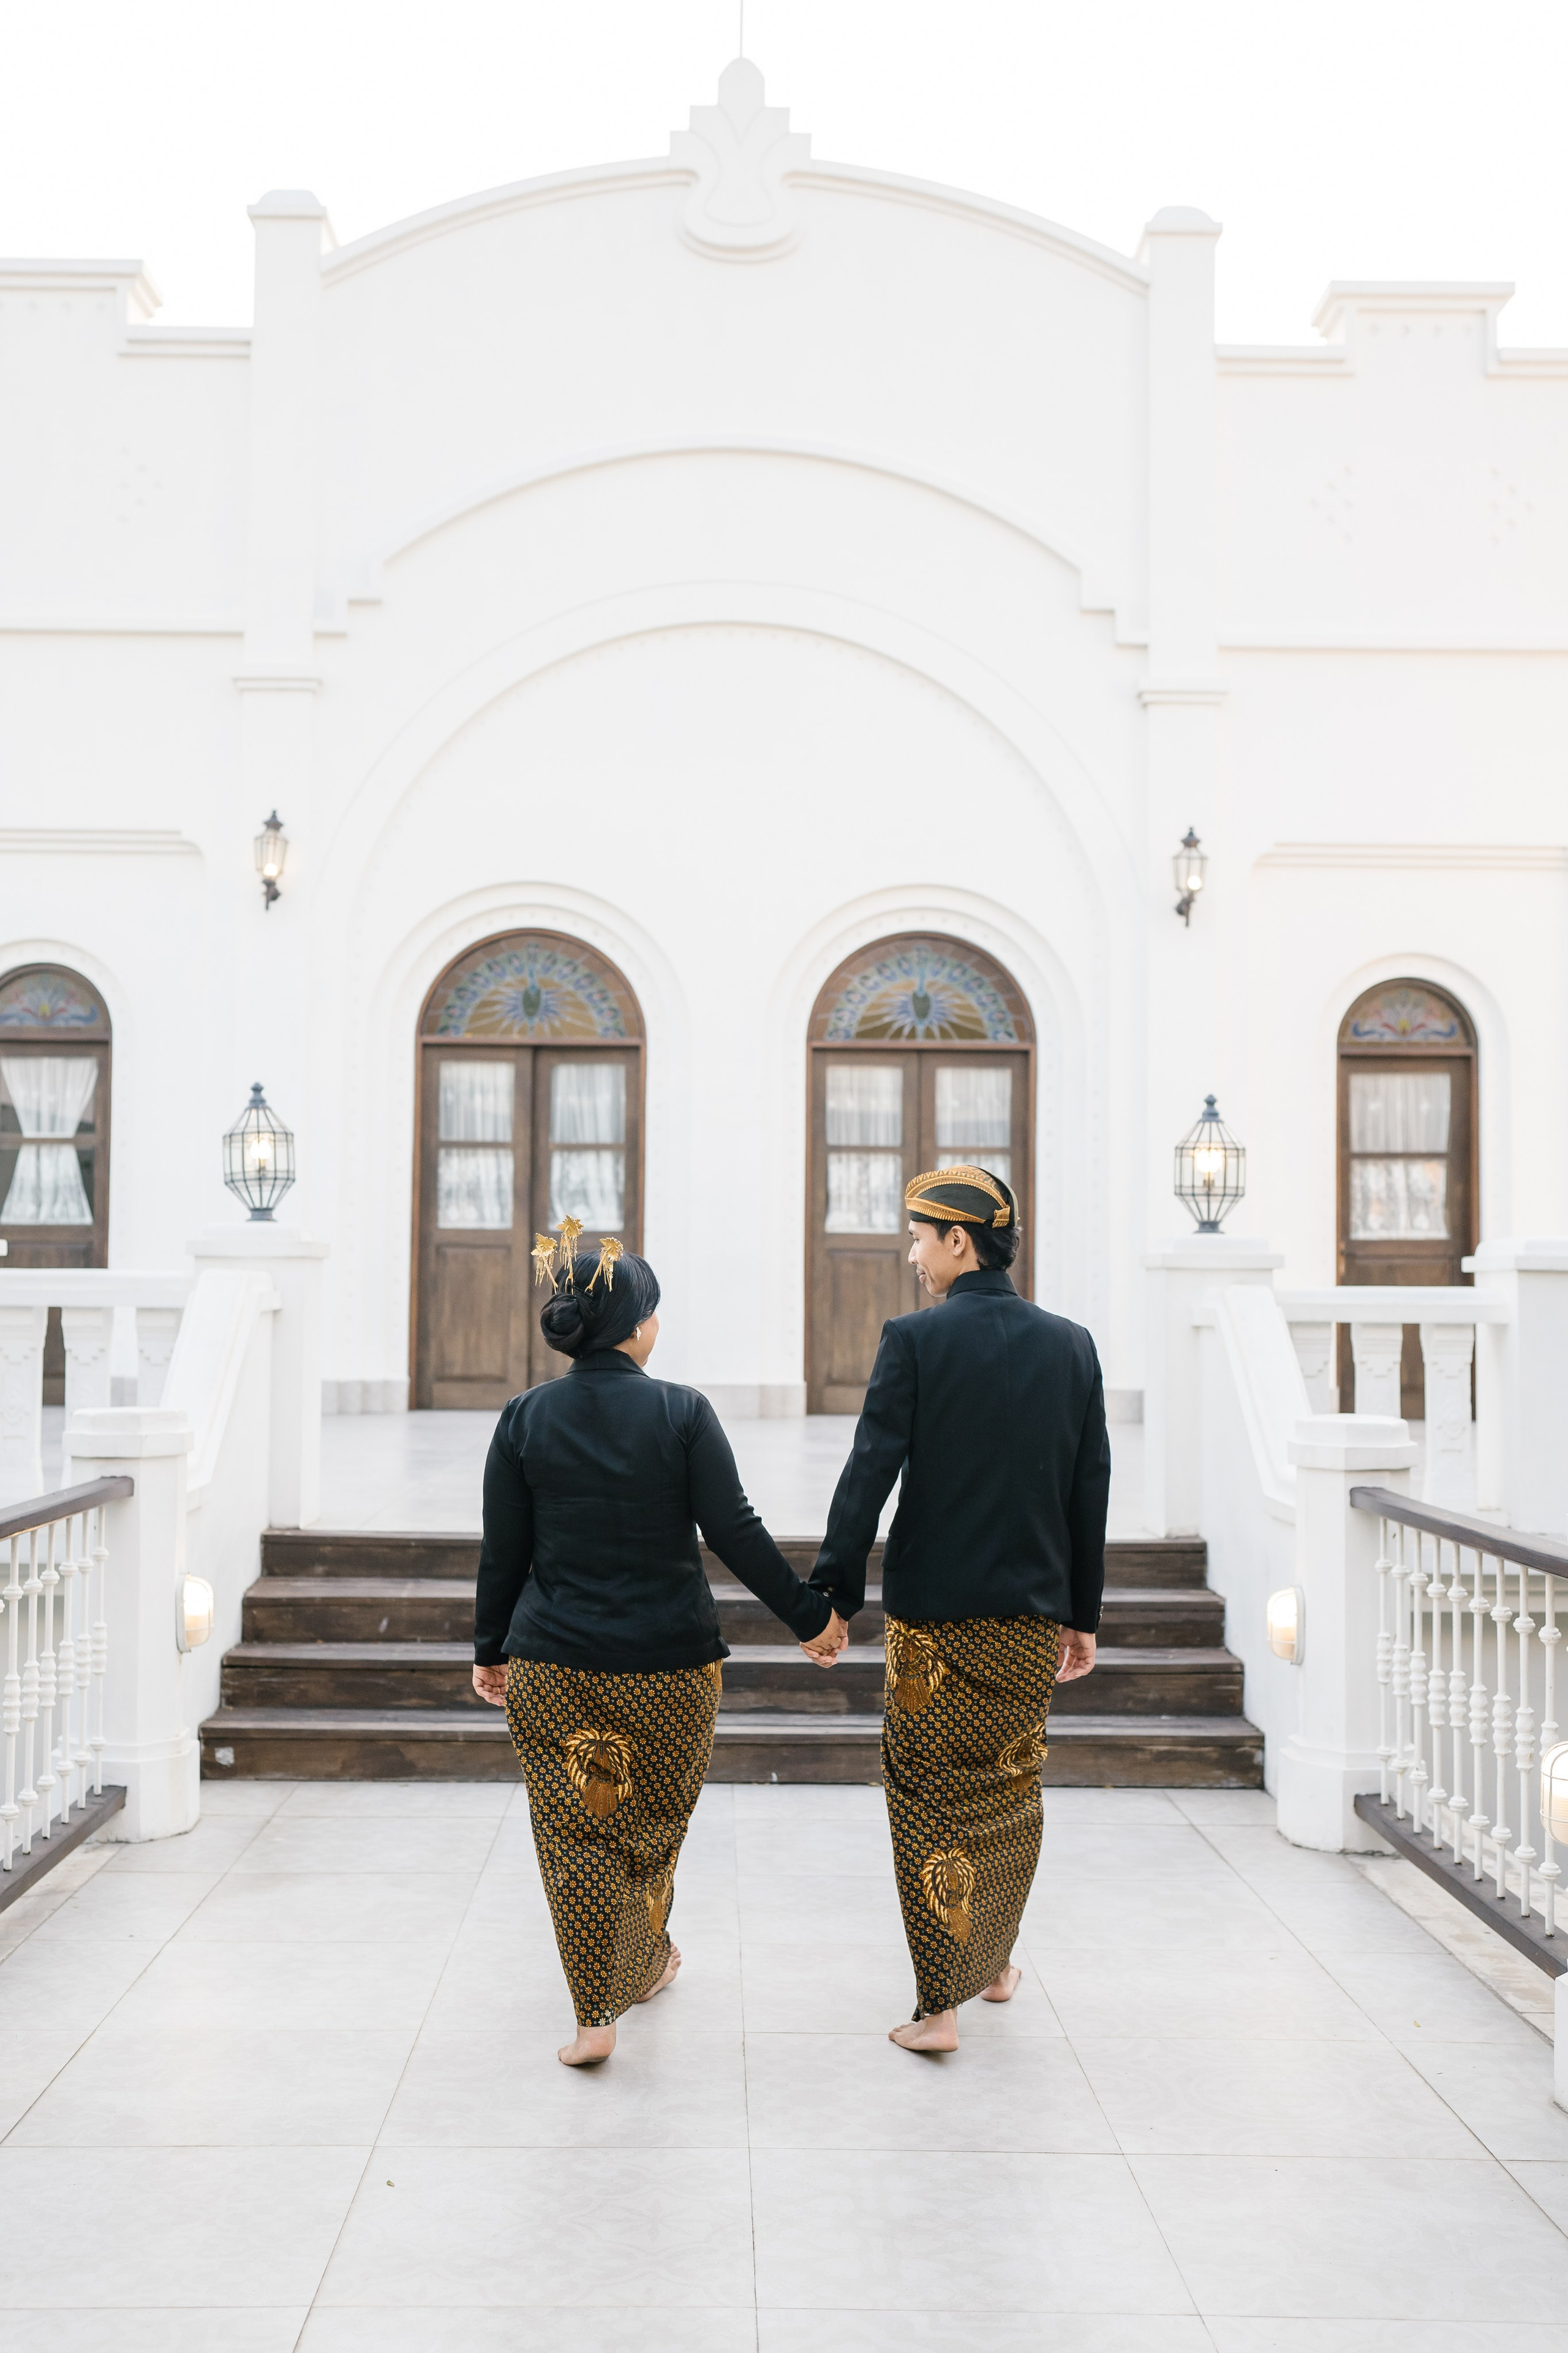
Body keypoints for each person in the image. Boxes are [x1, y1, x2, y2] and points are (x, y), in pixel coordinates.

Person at [473, 1221, 848, 2066]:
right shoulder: (682, 1411)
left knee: (575, 1838)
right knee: (649, 1831)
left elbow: (504, 1552)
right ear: (638, 1325)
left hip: (553, 1664)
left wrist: (490, 1648)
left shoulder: (524, 1417)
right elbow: (735, 1531)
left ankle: (597, 2015)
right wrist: (810, 1618)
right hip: (671, 1670)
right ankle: (636, 1964)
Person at [810, 1166, 1110, 2052]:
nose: (913, 1256)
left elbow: (868, 1475)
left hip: (934, 1626)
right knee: (1009, 1789)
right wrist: (1082, 1612)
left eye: (918, 1239)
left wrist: (833, 1596)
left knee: (927, 1799)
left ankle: (939, 2007)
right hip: (1030, 1616)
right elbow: (1088, 1491)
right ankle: (996, 1962)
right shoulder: (1073, 1346)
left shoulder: (915, 1340)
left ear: (958, 1240)